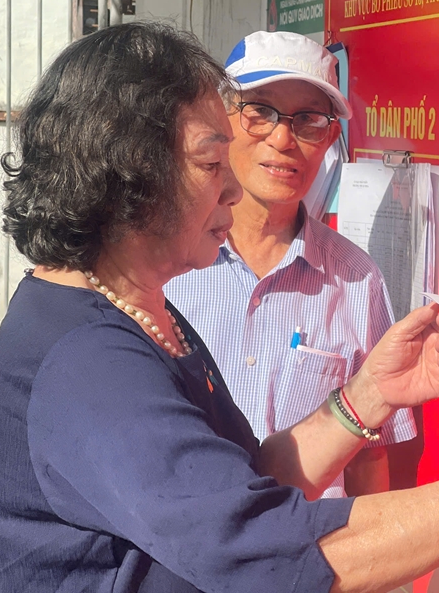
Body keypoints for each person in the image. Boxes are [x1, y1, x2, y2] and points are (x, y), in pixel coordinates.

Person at [0, 21, 439, 593]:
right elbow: (263, 549)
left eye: (310, 121)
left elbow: (245, 484)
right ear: (129, 174)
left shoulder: (137, 311)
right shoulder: (88, 362)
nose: (234, 189)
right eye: (213, 162)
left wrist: (362, 398)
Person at [164, 30, 414, 498]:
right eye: (260, 112)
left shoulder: (357, 280)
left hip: (309, 541)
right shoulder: (166, 263)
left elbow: (369, 456)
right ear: (222, 120)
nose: (282, 139)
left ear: (331, 137)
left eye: (309, 120)